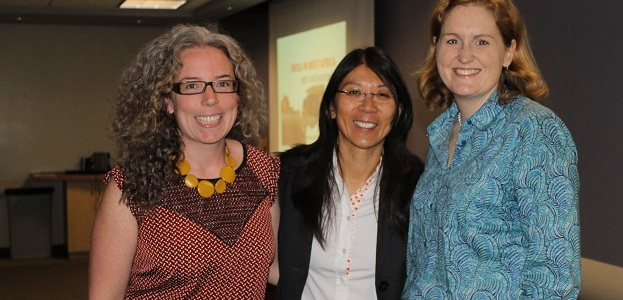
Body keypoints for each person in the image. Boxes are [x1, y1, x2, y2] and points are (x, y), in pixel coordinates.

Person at [403, 0, 581, 299]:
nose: (464, 54)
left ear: (509, 52)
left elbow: (554, 277)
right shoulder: (441, 135)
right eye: (453, 40)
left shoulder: (533, 130)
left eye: (482, 41)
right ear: (437, 48)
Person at [89, 24, 279, 299]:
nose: (210, 99)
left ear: (238, 95)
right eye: (192, 86)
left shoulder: (264, 171)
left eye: (223, 83)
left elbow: (277, 268)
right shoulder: (131, 185)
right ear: (167, 101)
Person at [274, 47, 424, 299]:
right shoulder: (289, 174)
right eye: (354, 92)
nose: (368, 106)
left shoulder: (417, 185)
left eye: (382, 94)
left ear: (398, 112)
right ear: (331, 107)